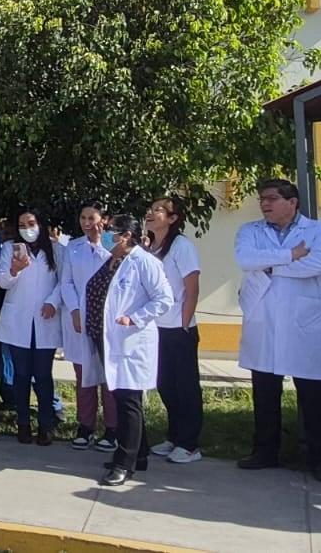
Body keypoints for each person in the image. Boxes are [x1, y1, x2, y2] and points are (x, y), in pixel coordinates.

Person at [234, 179, 321, 483]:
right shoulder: (251, 231)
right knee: (265, 391)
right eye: (261, 199)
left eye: (271, 198)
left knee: (312, 394)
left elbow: (319, 264)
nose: (264, 204)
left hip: (302, 322)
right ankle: (265, 451)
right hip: (263, 319)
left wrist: (270, 266)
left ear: (292, 202)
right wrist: (290, 255)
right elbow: (245, 260)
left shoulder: (319, 231)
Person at [87, 215, 173, 486]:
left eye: (111, 231)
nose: (106, 235)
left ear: (126, 235)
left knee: (129, 403)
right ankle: (140, 454)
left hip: (131, 340)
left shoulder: (145, 262)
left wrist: (134, 317)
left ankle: (124, 463)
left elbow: (165, 299)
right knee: (122, 398)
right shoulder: (114, 259)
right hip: (110, 339)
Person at [143, 197, 205, 464]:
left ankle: (190, 444)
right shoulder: (150, 247)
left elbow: (192, 288)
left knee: (186, 386)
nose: (150, 213)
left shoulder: (182, 247)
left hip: (178, 328)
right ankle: (175, 436)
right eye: (151, 208)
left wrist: (184, 323)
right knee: (165, 384)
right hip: (156, 328)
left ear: (172, 218)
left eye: (158, 210)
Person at [0, 210, 63, 445]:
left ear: (41, 224)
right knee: (21, 375)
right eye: (22, 224)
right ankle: (23, 423)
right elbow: (1, 280)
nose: (27, 228)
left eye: (31, 223)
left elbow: (65, 281)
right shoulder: (10, 249)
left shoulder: (56, 250)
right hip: (18, 320)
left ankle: (46, 424)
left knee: (43, 375)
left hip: (45, 319)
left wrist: (53, 301)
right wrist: (15, 269)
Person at [59, 201, 119, 451]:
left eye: (91, 218)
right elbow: (67, 282)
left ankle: (113, 429)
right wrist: (74, 310)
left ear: (103, 220)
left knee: (108, 376)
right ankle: (85, 426)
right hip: (81, 320)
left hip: (108, 319)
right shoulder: (73, 247)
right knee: (84, 376)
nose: (86, 223)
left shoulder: (114, 245)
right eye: (82, 218)